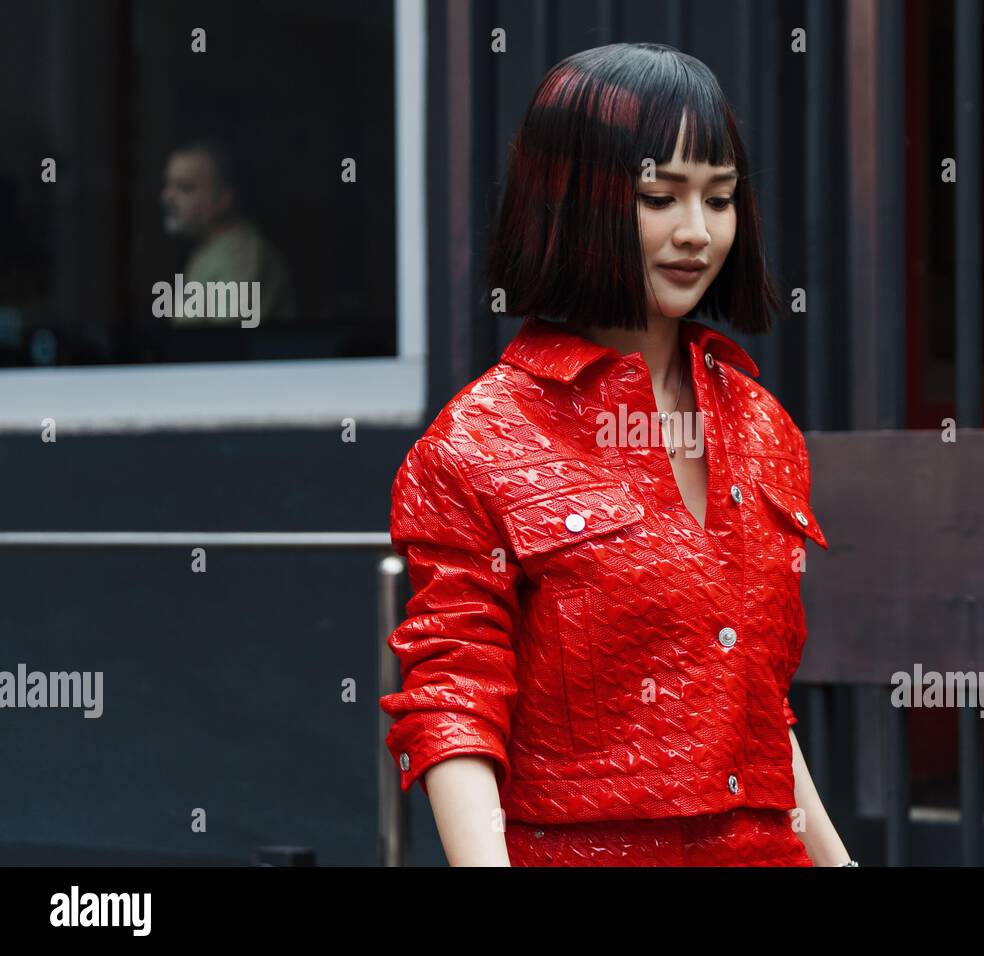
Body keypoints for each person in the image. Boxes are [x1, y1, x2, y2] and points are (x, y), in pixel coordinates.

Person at [380, 42, 855, 867]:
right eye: (658, 197)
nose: (697, 233)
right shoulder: (480, 440)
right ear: (569, 203)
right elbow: (453, 698)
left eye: (720, 198)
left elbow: (754, 708)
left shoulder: (761, 424)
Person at [159, 139, 295, 326]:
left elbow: (224, 346)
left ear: (222, 199)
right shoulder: (210, 248)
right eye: (168, 185)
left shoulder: (241, 260)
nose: (167, 197)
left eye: (185, 187)